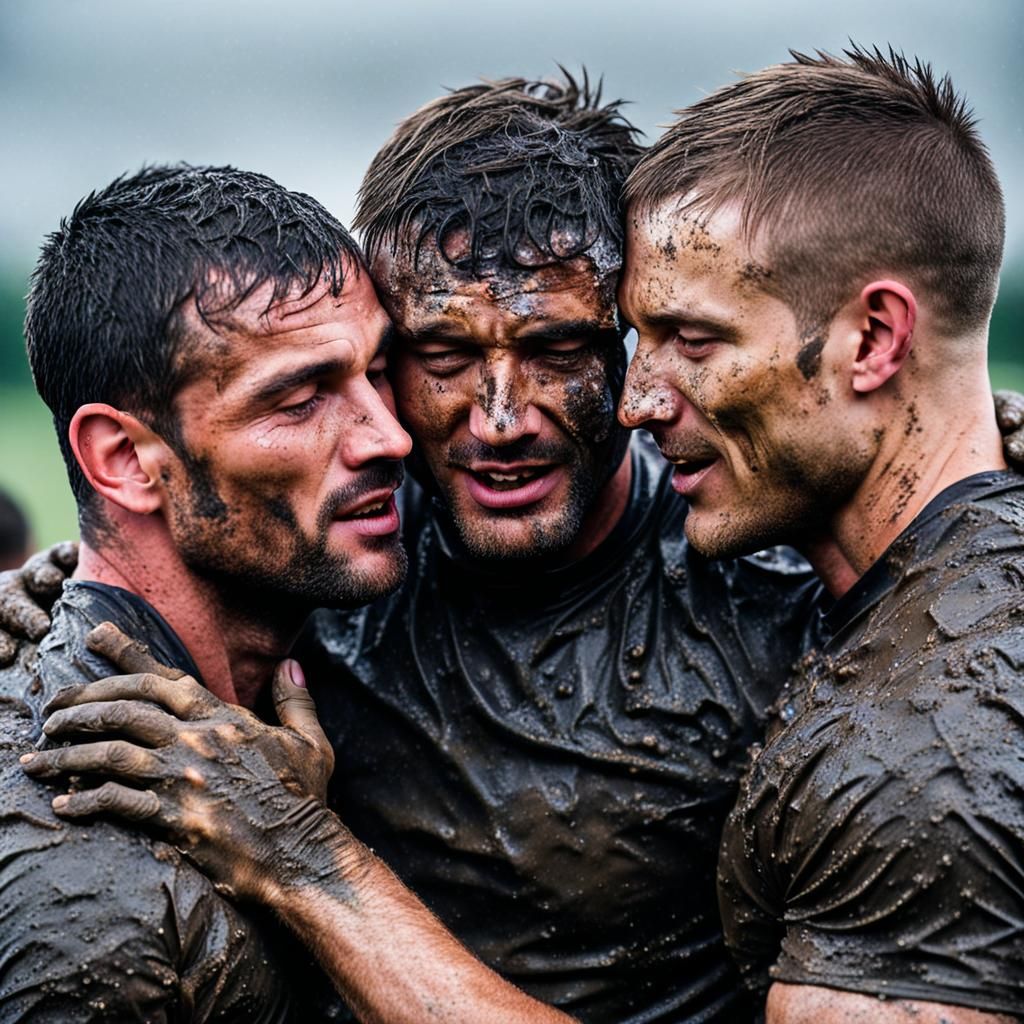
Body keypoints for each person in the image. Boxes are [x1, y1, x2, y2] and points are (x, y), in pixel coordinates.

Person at [14, 75, 820, 1023]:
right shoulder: (340, 550)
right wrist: (65, 592)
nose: (499, 420)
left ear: (633, 347)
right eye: (440, 359)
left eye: (559, 352)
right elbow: (186, 507)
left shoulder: (776, 579)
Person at [3, 162, 571, 1023]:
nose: (388, 436)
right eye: (302, 399)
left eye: (379, 373)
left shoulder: (303, 646)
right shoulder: (88, 875)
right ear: (124, 461)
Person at [617, 47, 1022, 1021]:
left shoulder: (926, 757)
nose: (634, 399)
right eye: (634, 339)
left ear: (875, 340)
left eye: (694, 341)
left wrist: (311, 870)